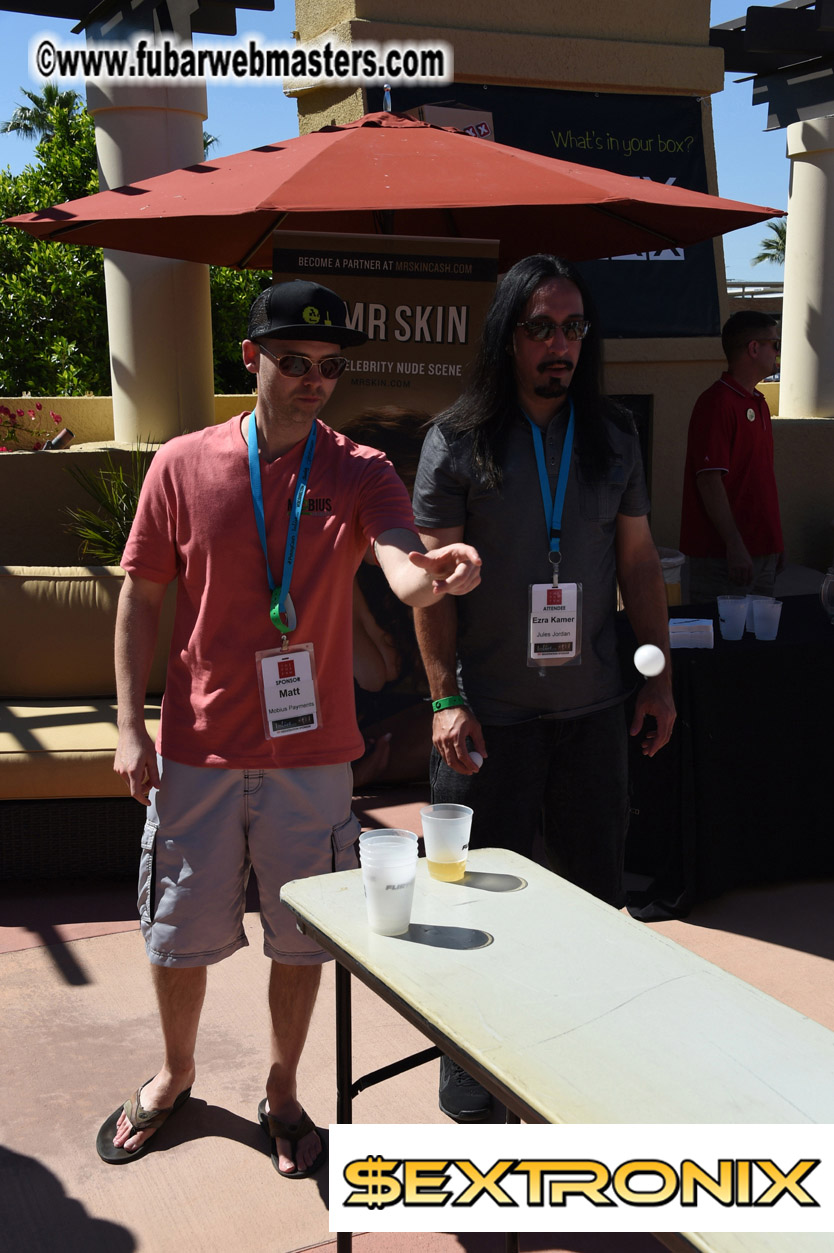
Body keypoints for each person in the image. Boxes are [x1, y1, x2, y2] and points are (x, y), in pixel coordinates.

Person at [97, 279, 482, 1176]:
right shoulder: (181, 464)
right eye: (295, 362)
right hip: (197, 747)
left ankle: (282, 1088)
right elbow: (140, 596)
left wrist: (438, 575)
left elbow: (400, 565)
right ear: (252, 359)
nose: (315, 380)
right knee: (176, 929)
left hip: (313, 758)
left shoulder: (360, 468)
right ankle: (175, 1073)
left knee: (301, 936)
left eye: (330, 367)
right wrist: (129, 724)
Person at [410, 253, 675, 1123]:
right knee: (473, 904)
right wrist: (446, 698)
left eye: (572, 327)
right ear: (509, 336)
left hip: (594, 710)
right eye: (540, 328)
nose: (558, 344)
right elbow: (430, 586)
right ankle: (471, 1075)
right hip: (491, 721)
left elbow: (637, 562)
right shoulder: (456, 439)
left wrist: (658, 676)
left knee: (597, 903)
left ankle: (582, 1056)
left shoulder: (614, 437)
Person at [680, 310, 784, 602]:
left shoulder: (759, 404)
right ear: (753, 348)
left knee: (761, 642)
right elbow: (710, 481)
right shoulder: (716, 404)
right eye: (775, 344)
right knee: (727, 645)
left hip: (762, 553)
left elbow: (758, 479)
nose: (778, 352)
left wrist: (775, 541)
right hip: (723, 559)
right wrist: (735, 545)